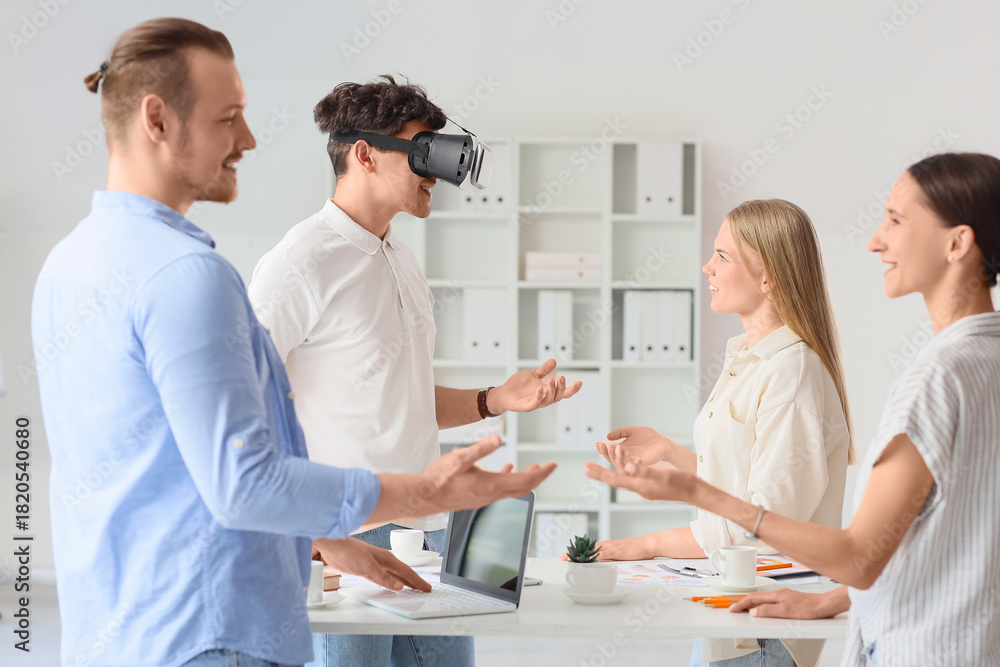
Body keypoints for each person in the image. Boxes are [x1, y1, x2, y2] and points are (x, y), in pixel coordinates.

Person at [32, 19, 555, 667]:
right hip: (224, 611)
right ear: (158, 120)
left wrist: (492, 399)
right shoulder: (250, 269)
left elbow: (220, 444)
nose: (250, 140)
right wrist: (343, 526)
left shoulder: (71, 261)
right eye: (230, 119)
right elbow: (243, 475)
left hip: (152, 613)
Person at [585, 152, 1000, 666]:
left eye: (896, 220)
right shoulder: (983, 360)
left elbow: (858, 553)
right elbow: (928, 538)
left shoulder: (936, 378)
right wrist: (675, 456)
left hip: (898, 647)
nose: (875, 239)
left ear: (957, 243)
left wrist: (681, 502)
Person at [247, 75, 582, 667]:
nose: (437, 172)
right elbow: (244, 403)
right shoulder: (300, 264)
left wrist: (494, 399)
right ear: (365, 154)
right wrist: (312, 535)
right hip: (348, 529)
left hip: (429, 524)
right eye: (421, 151)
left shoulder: (400, 257)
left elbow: (396, 398)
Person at [585, 200, 853, 666]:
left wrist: (641, 547)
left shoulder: (793, 372)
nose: (707, 266)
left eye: (722, 256)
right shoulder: (750, 360)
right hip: (730, 616)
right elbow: (742, 487)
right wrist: (671, 452)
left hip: (764, 629)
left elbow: (762, 525)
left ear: (768, 277)